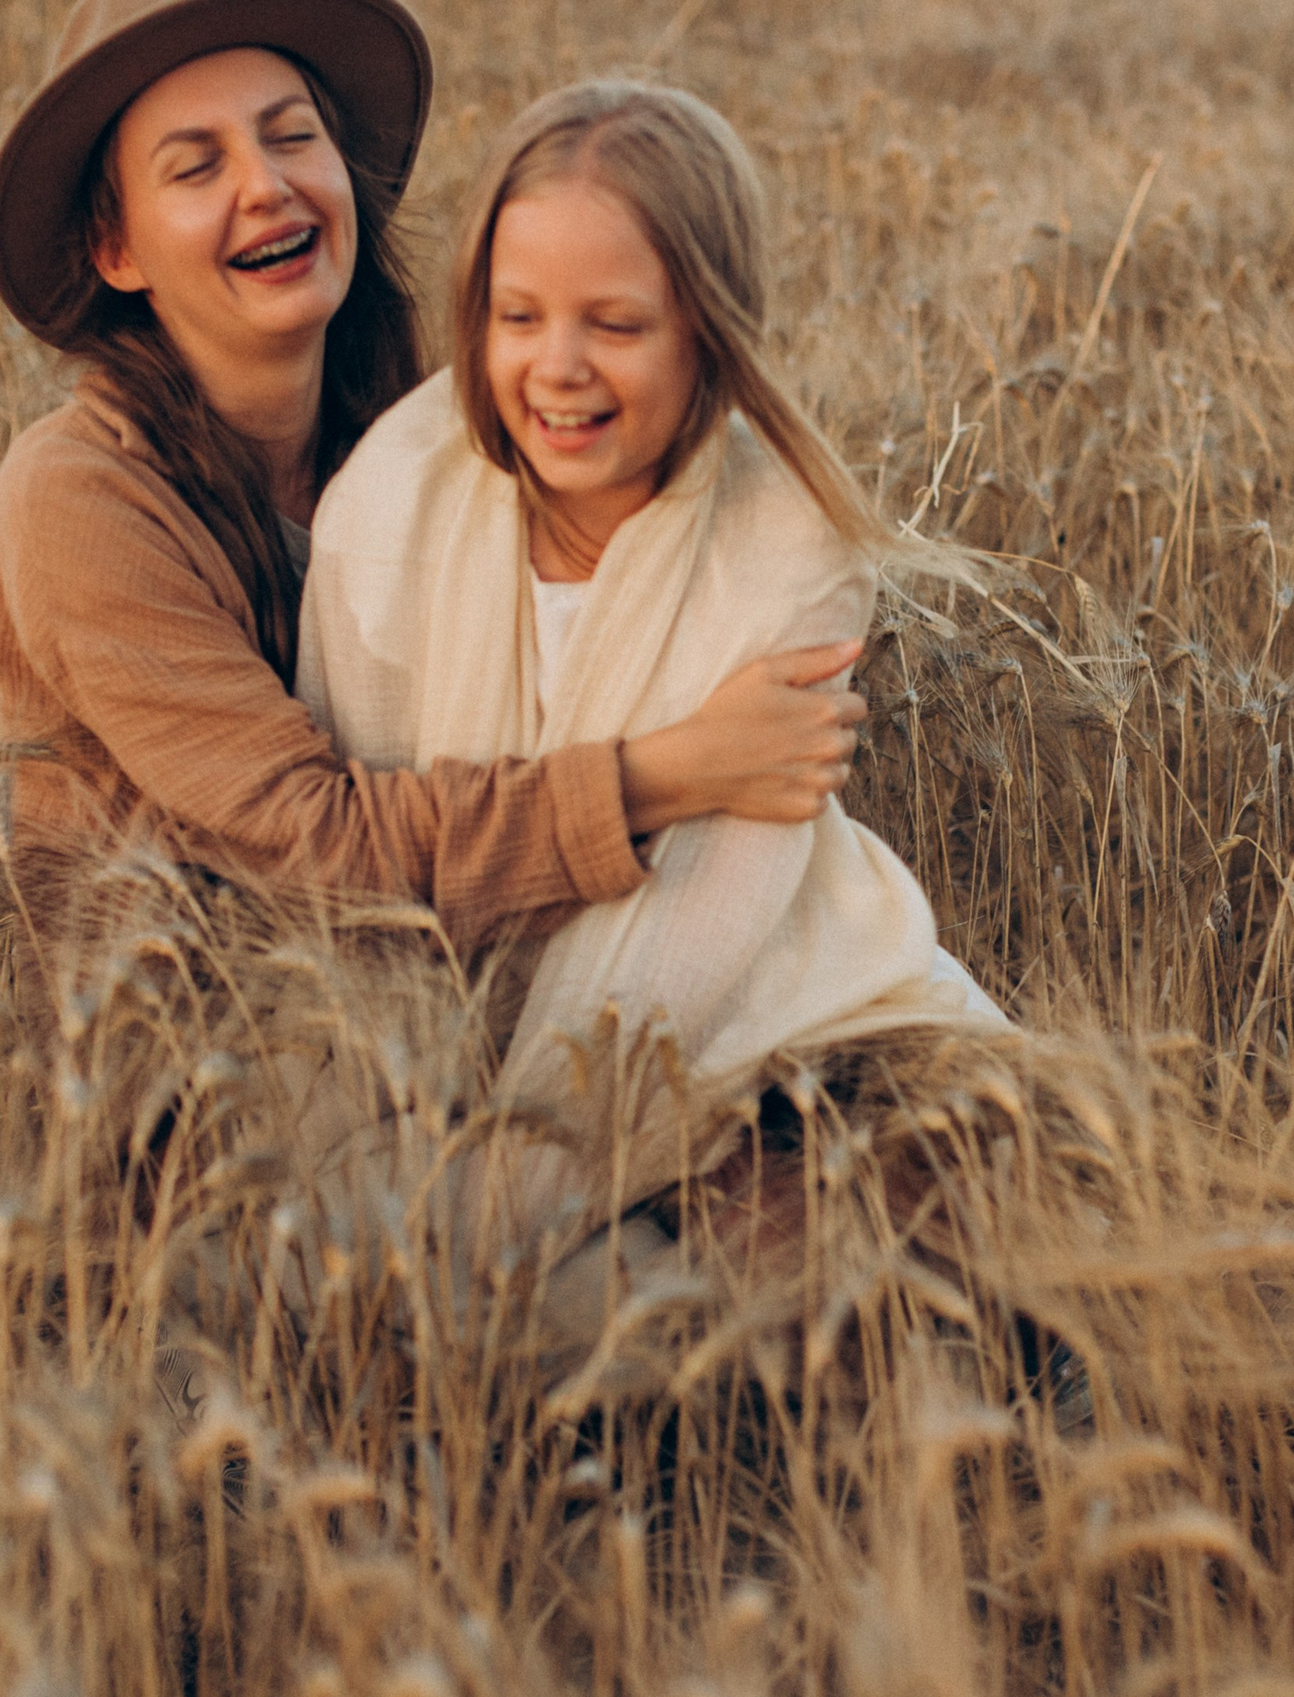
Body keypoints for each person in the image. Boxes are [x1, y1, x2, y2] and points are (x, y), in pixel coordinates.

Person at [0, 0, 873, 963]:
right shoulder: (78, 499)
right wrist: (671, 774)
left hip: (449, 996)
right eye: (197, 167)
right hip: (206, 1053)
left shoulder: (418, 447)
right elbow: (310, 847)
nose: (267, 186)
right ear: (115, 249)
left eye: (293, 137)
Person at [297, 81, 1011, 1253]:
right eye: (517, 317)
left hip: (758, 1015)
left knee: (987, 1211)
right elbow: (362, 884)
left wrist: (491, 1227)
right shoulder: (389, 502)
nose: (557, 367)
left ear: (709, 334)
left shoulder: (791, 544)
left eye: (615, 325)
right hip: (446, 1053)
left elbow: (681, 947)